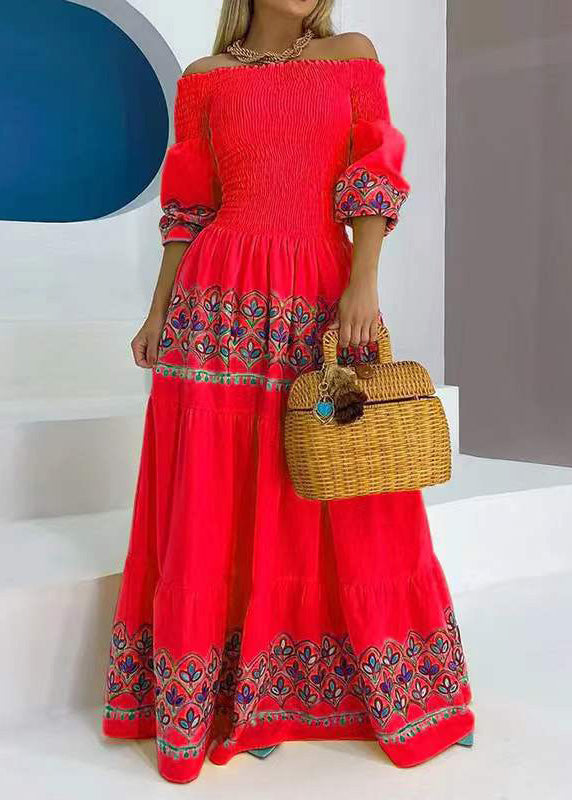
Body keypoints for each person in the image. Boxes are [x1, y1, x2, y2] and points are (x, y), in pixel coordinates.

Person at [101, 0, 475, 784]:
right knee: (221, 492)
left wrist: (363, 283)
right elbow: (190, 209)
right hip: (217, 306)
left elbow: (373, 171)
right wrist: (159, 311)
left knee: (350, 485)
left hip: (319, 290)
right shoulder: (205, 79)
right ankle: (243, 692)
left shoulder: (350, 53)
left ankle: (367, 685)